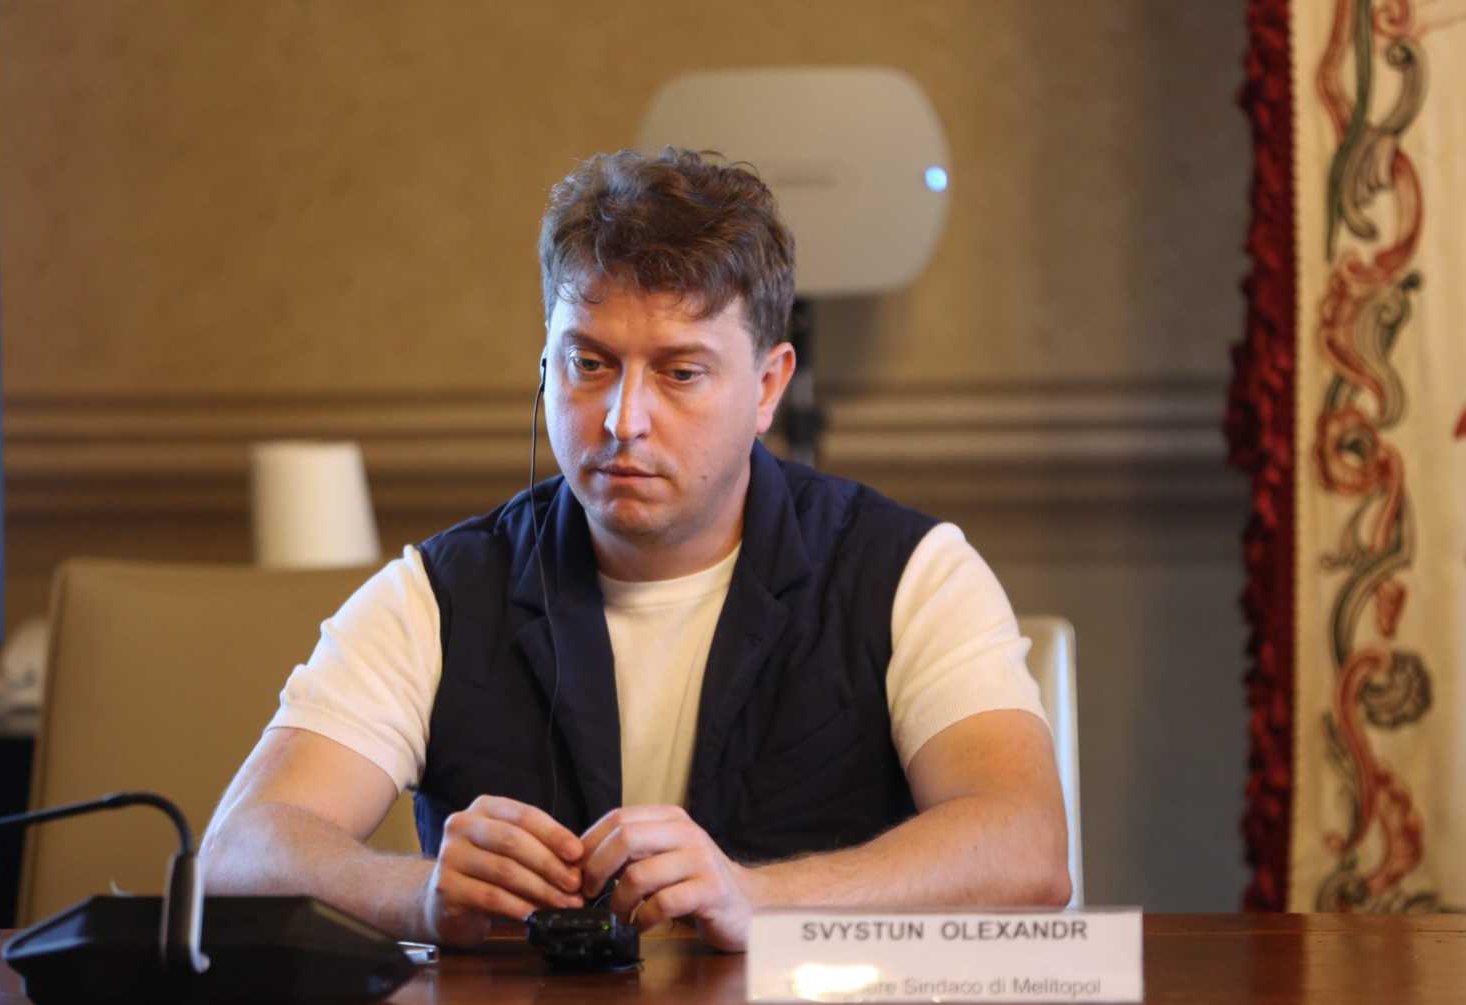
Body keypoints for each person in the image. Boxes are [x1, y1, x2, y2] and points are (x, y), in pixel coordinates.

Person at [203, 147, 1070, 953]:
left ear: (769, 386)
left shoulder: (912, 573)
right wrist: (419, 895)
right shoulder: (437, 592)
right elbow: (236, 851)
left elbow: (1028, 848)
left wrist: (759, 897)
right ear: (545, 366)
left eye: (680, 372)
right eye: (589, 363)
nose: (624, 420)